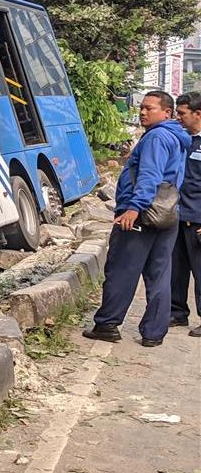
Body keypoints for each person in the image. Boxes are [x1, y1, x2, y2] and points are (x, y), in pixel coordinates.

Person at [85, 90, 191, 346]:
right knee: (159, 274)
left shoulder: (156, 138)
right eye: (142, 108)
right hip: (167, 214)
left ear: (167, 112)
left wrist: (134, 208)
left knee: (122, 268)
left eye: (149, 108)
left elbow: (149, 176)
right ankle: (154, 333)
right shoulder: (179, 138)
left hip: (142, 214)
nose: (143, 112)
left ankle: (107, 324)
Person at [170, 91, 201, 337]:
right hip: (177, 216)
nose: (178, 118)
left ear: (197, 114)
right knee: (176, 268)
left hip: (198, 218)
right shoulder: (183, 141)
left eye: (182, 113)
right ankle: (177, 312)